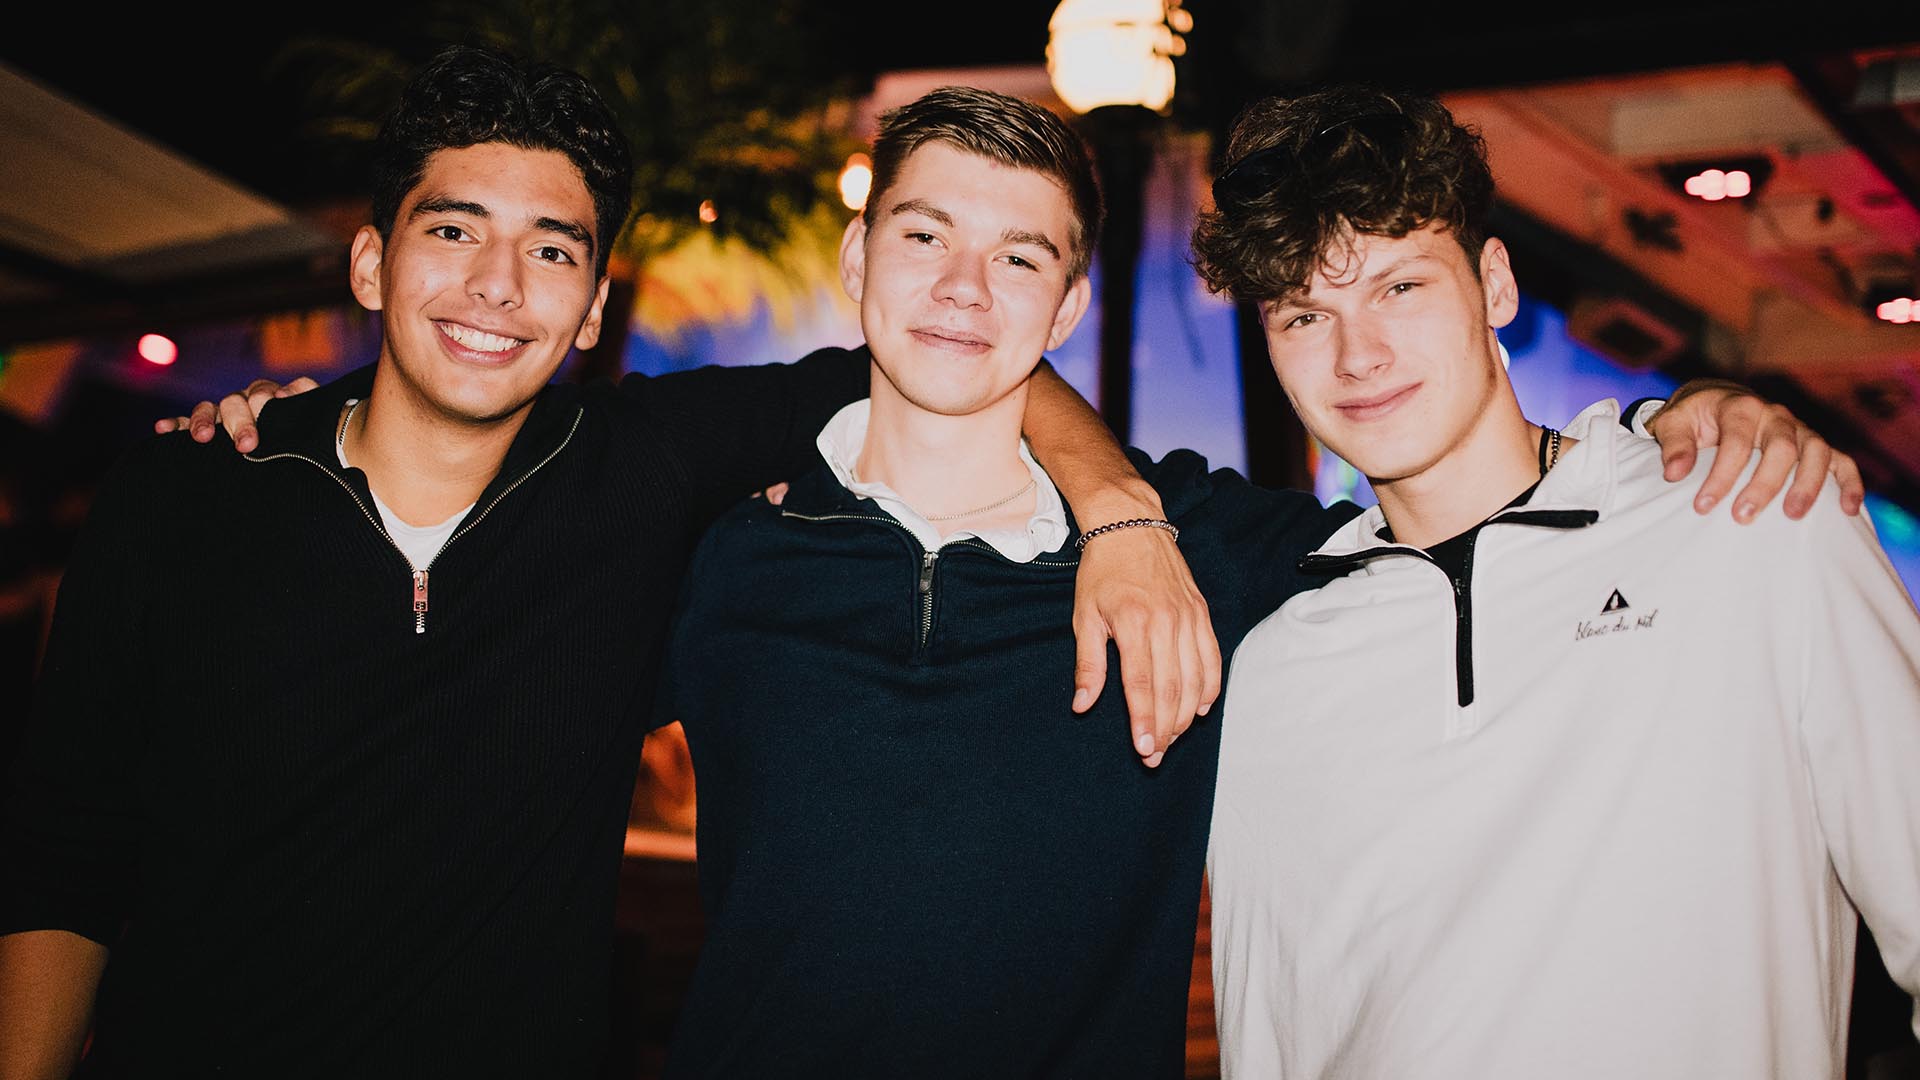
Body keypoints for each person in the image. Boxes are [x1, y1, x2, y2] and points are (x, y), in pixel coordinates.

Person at [163, 80, 1854, 1077]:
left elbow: (1471, 504)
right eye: (926, 239)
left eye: (1019, 256)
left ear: (1066, 308)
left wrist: (1678, 419)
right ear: (859, 263)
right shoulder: (715, 555)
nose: (966, 291)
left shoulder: (1222, 557)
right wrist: (299, 423)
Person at [0, 48, 1213, 1080]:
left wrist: (1118, 512)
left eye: (551, 250)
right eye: (454, 230)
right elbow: (64, 852)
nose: (495, 285)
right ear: (371, 263)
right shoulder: (185, 496)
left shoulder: (645, 474)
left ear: (590, 307)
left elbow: (948, 354)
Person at [1194, 85, 1920, 1079]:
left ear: (1494, 284)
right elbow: (1275, 1035)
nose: (1358, 355)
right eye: (1305, 315)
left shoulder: (1752, 520)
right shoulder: (1278, 671)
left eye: (1400, 288)